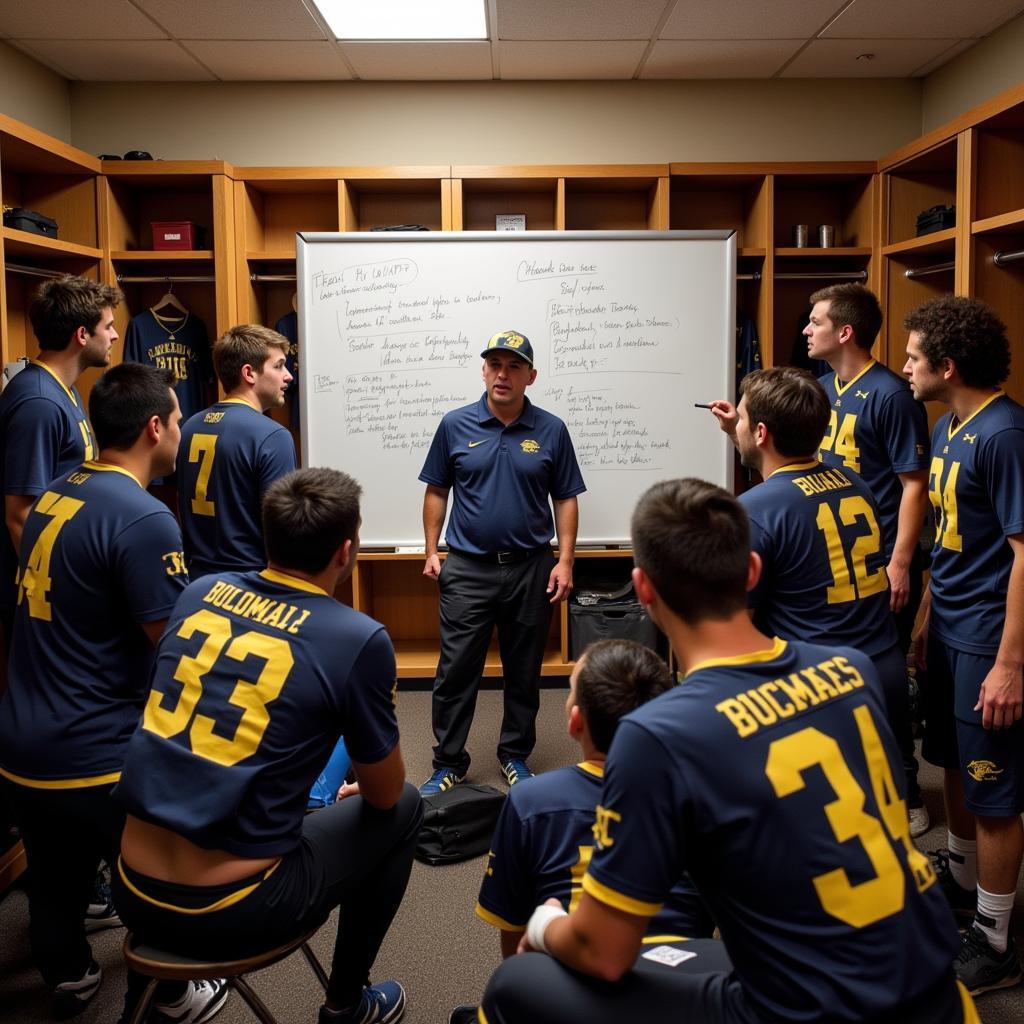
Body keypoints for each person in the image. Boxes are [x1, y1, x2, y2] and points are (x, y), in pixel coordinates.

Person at [481, 477, 975, 1024]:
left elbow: (604, 954)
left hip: (809, 1013)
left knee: (517, 981)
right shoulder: (851, 671)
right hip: (940, 997)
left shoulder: (657, 735)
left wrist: (541, 924)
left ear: (643, 589)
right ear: (753, 573)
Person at [113, 467, 423, 1024]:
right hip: (235, 909)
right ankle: (346, 1004)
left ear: (268, 537)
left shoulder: (198, 592)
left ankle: (163, 999)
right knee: (405, 807)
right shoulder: (358, 637)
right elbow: (383, 795)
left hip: (131, 892)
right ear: (345, 551)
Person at [0, 363, 208, 1019]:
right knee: (153, 875)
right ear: (155, 427)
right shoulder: (144, 518)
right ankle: (172, 996)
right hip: (98, 748)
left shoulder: (58, 491)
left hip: (25, 738)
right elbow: (170, 648)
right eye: (176, 421)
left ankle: (67, 974)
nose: (180, 432)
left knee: (55, 877)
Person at [450, 639, 713, 1024]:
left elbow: (514, 934)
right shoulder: (701, 798)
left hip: (568, 978)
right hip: (683, 985)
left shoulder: (530, 800)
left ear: (575, 723)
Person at [709, 368, 913, 800]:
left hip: (816, 690)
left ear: (761, 432)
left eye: (742, 420)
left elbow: (736, 633)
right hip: (882, 673)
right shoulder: (855, 482)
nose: (737, 427)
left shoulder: (751, 512)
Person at [903, 295, 1024, 996]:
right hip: (948, 624)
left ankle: (998, 939)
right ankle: (960, 881)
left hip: (989, 637)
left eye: (915, 358)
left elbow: (1022, 552)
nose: (907, 369)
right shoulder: (951, 424)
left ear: (946, 366)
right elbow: (953, 542)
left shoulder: (1006, 434)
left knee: (995, 788)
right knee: (949, 758)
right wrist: (925, 618)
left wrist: (1010, 664)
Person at [418, 330, 585, 793]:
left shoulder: (551, 429)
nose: (502, 374)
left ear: (531, 375)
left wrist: (565, 559)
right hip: (468, 568)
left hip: (531, 566)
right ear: (483, 370)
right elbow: (437, 489)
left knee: (523, 668)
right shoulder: (455, 424)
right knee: (455, 671)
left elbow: (565, 497)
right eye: (494, 364)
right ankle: (448, 762)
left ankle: (514, 755)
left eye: (513, 366)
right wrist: (432, 550)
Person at [804, 283, 931, 835]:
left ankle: (905, 789)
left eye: (815, 322)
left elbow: (913, 483)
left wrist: (901, 561)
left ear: (845, 332)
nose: (806, 330)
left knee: (882, 676)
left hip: (880, 560)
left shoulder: (890, 393)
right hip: (836, 560)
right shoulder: (824, 387)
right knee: (837, 676)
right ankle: (851, 784)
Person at [0, 274, 121, 654]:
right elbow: (20, 513)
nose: (115, 336)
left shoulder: (61, 388)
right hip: (43, 592)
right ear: (82, 335)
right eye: (109, 326)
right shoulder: (39, 403)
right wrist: (62, 593)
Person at [177, 323, 295, 578]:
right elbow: (282, 534)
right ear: (249, 373)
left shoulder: (189, 426)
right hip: (251, 585)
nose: (288, 375)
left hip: (197, 582)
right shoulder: (272, 436)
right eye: (278, 365)